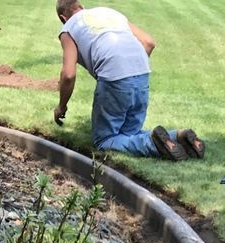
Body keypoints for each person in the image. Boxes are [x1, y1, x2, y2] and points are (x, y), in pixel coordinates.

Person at [54, 1, 205, 161]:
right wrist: (131, 70)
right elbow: (148, 42)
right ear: (81, 7)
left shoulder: (68, 28)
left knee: (104, 140)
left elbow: (68, 75)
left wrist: (61, 106)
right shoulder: (108, 12)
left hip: (114, 76)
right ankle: (178, 137)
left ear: (63, 18)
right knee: (129, 135)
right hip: (142, 72)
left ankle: (151, 144)